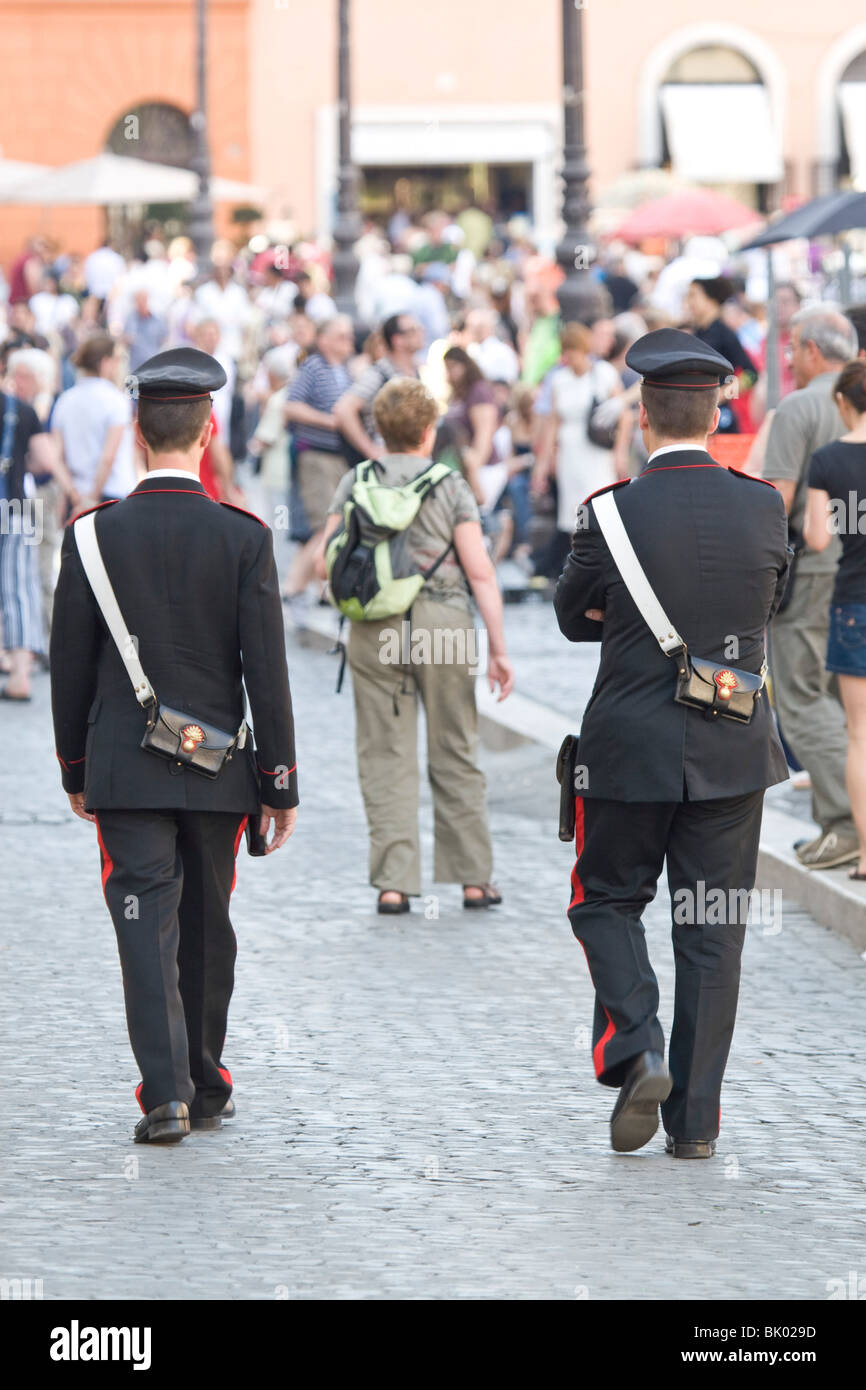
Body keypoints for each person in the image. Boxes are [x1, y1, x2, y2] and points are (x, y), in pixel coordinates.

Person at [49, 346, 299, 1144]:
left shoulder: (91, 538)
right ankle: (205, 1076)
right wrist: (279, 781)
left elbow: (70, 670)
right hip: (221, 766)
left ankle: (165, 1093)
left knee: (141, 920)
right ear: (210, 427)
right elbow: (267, 670)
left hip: (124, 767)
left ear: (135, 428)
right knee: (207, 924)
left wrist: (75, 769)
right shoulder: (243, 537)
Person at [553, 329, 790, 1159]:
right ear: (719, 409)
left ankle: (638, 1044)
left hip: (626, 748)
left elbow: (568, 615)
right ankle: (694, 1127)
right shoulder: (764, 504)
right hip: (732, 746)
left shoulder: (610, 511)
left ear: (643, 414)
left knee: (606, 902)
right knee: (713, 931)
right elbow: (773, 605)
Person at [320, 377, 514, 914]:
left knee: (384, 752)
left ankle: (394, 883)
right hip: (444, 624)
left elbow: (324, 561)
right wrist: (498, 649)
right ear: (429, 432)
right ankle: (474, 878)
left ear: (379, 431)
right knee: (455, 747)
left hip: (376, 627)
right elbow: (480, 572)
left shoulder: (357, 481)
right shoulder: (449, 485)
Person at [762, 308, 860, 869]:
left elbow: (777, 502)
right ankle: (846, 820)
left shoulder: (800, 407)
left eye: (794, 350)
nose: (791, 361)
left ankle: (847, 821)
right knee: (846, 702)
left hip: (814, 573)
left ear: (814, 351)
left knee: (801, 700)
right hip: (856, 568)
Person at [804, 360, 866, 881]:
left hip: (854, 603)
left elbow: (819, 538)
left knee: (859, 735)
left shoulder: (827, 461)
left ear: (844, 402)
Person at [531, 322, 622, 579]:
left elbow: (621, 414)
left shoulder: (604, 373)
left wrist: (620, 454)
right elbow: (552, 424)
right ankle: (582, 569)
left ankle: (603, 568)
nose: (569, 357)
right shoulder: (560, 379)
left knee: (600, 508)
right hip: (570, 454)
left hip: (597, 452)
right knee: (574, 514)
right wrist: (543, 463)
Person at [283, 314, 353, 618]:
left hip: (337, 455)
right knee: (325, 523)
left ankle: (314, 586)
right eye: (340, 336)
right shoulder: (314, 366)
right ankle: (293, 586)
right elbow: (291, 405)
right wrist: (331, 421)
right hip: (316, 454)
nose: (347, 342)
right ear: (323, 340)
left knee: (331, 522)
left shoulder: (344, 371)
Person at [50, 336, 137, 511]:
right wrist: (91, 499)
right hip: (112, 494)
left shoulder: (65, 400)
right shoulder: (117, 400)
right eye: (117, 359)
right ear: (105, 362)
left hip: (76, 494)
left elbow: (57, 459)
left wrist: (73, 495)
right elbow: (108, 457)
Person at [332, 313, 423, 462]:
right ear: (397, 340)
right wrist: (371, 450)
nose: (420, 333)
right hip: (387, 465)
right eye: (413, 330)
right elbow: (343, 410)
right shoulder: (378, 373)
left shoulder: (413, 372)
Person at [684, 277, 758, 433]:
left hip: (721, 420)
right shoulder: (697, 334)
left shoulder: (725, 334)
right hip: (696, 416)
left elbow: (751, 374)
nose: (688, 302)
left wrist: (720, 395)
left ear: (711, 300)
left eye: (693, 295)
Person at [441, 346, 499, 505]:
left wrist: (475, 474)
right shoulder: (457, 393)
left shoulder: (478, 391)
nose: (450, 373)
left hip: (481, 467)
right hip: (460, 465)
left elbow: (484, 434)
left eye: (453, 367)